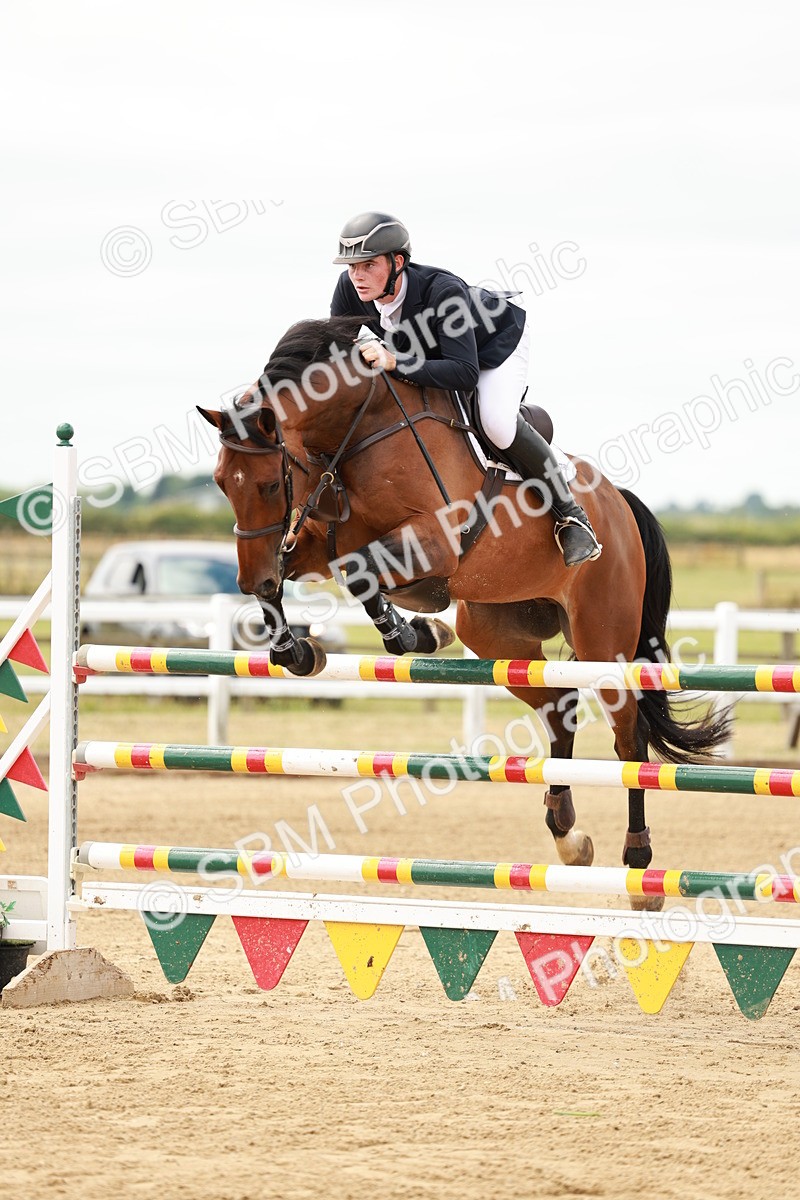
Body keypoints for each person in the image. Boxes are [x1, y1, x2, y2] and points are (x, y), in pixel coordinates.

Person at [330, 211, 602, 567]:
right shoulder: (350, 289)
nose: (358, 276)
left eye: (368, 265)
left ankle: (571, 516)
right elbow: (335, 351)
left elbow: (464, 372)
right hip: (437, 352)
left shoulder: (442, 292)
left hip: (494, 345)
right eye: (352, 266)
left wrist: (395, 362)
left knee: (496, 424)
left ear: (397, 262)